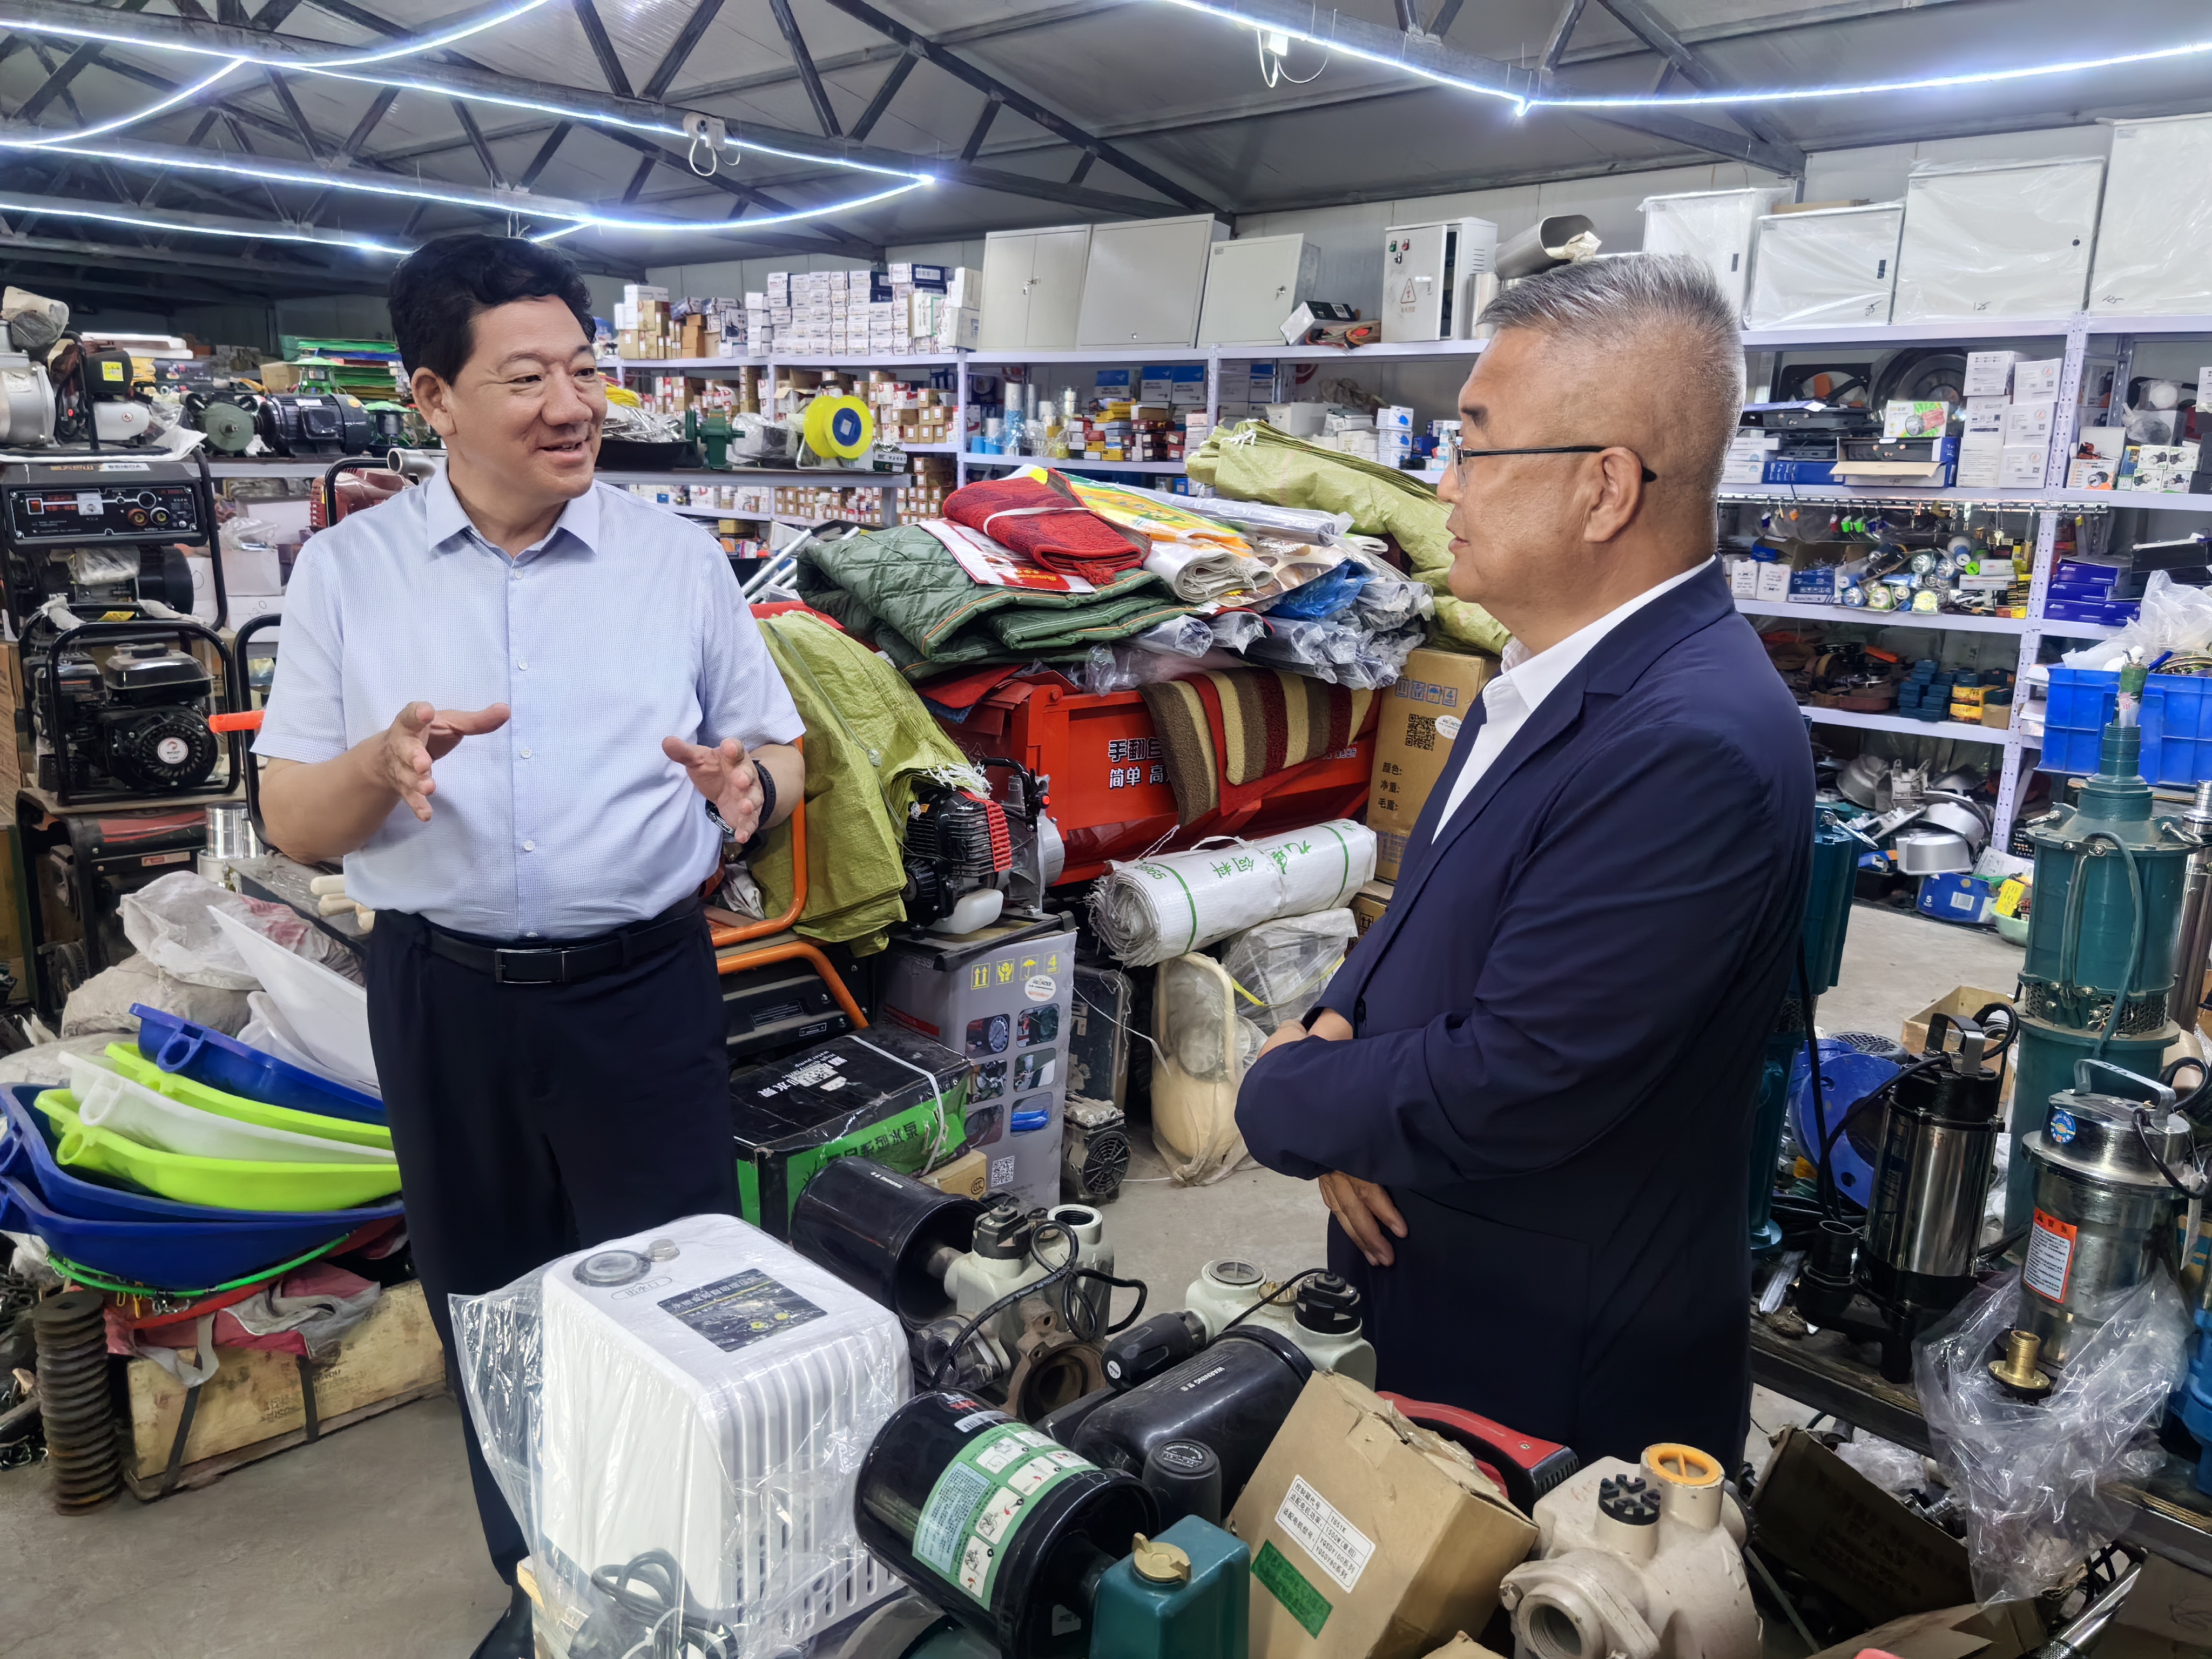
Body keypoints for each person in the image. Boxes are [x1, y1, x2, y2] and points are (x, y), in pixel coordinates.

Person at [254, 235, 805, 1659]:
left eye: (582, 369)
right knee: (492, 1310)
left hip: (642, 996)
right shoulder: (349, 575)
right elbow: (295, 818)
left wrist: (750, 787)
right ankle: (549, 1591)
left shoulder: (675, 560)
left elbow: (776, 748)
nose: (572, 406)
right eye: (525, 378)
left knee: (678, 1306)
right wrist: (379, 764)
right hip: (447, 1002)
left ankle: (684, 1592)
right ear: (433, 396)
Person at [1236, 254, 1811, 1467]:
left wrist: (1291, 1097)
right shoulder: (1552, 671)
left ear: (1604, 489)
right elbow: (1429, 900)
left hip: (1551, 1371)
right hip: (1445, 1284)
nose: (1444, 486)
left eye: (1475, 448)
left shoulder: (1686, 743)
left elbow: (1525, 1074)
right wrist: (1344, 1029)